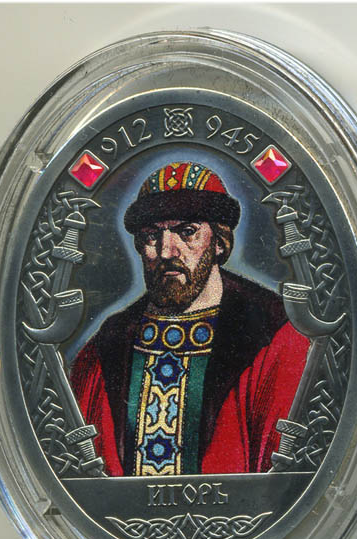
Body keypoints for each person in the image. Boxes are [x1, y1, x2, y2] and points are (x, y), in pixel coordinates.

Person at [70, 162, 310, 476]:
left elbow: (281, 476)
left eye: (187, 232)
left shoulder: (272, 334)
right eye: (152, 235)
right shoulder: (110, 342)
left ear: (219, 242)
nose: (167, 251)